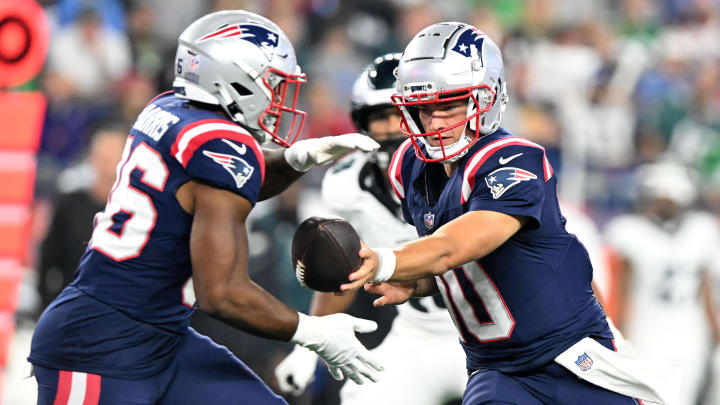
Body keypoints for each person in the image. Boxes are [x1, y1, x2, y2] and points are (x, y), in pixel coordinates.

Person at [28, 10, 384, 405]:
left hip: (163, 337)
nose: (276, 94)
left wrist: (295, 159)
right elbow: (222, 293)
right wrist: (313, 333)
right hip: (99, 344)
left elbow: (224, 182)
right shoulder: (219, 146)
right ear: (232, 78)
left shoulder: (166, 107)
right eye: (270, 81)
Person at [340, 22, 679, 405]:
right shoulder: (410, 167)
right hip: (498, 371)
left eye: (448, 106)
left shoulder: (513, 159)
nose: (434, 124)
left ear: (487, 98)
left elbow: (459, 244)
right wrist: (422, 283)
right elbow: (477, 267)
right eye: (423, 109)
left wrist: (388, 261)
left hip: (574, 359)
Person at [274, 54, 467, 405]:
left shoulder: (469, 171)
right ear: (363, 124)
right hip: (415, 337)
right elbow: (347, 269)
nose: (394, 126)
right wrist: (308, 346)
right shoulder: (346, 185)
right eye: (381, 116)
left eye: (402, 112)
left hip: (481, 337)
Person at [605, 160, 720, 405]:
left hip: (688, 333)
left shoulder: (701, 231)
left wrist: (715, 335)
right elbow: (621, 291)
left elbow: (705, 291)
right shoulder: (630, 232)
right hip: (648, 332)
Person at [36, 126, 127, 316]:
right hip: (73, 309)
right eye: (101, 157)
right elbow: (48, 259)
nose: (107, 165)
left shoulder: (136, 210)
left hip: (120, 312)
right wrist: (48, 308)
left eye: (113, 158)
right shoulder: (69, 204)